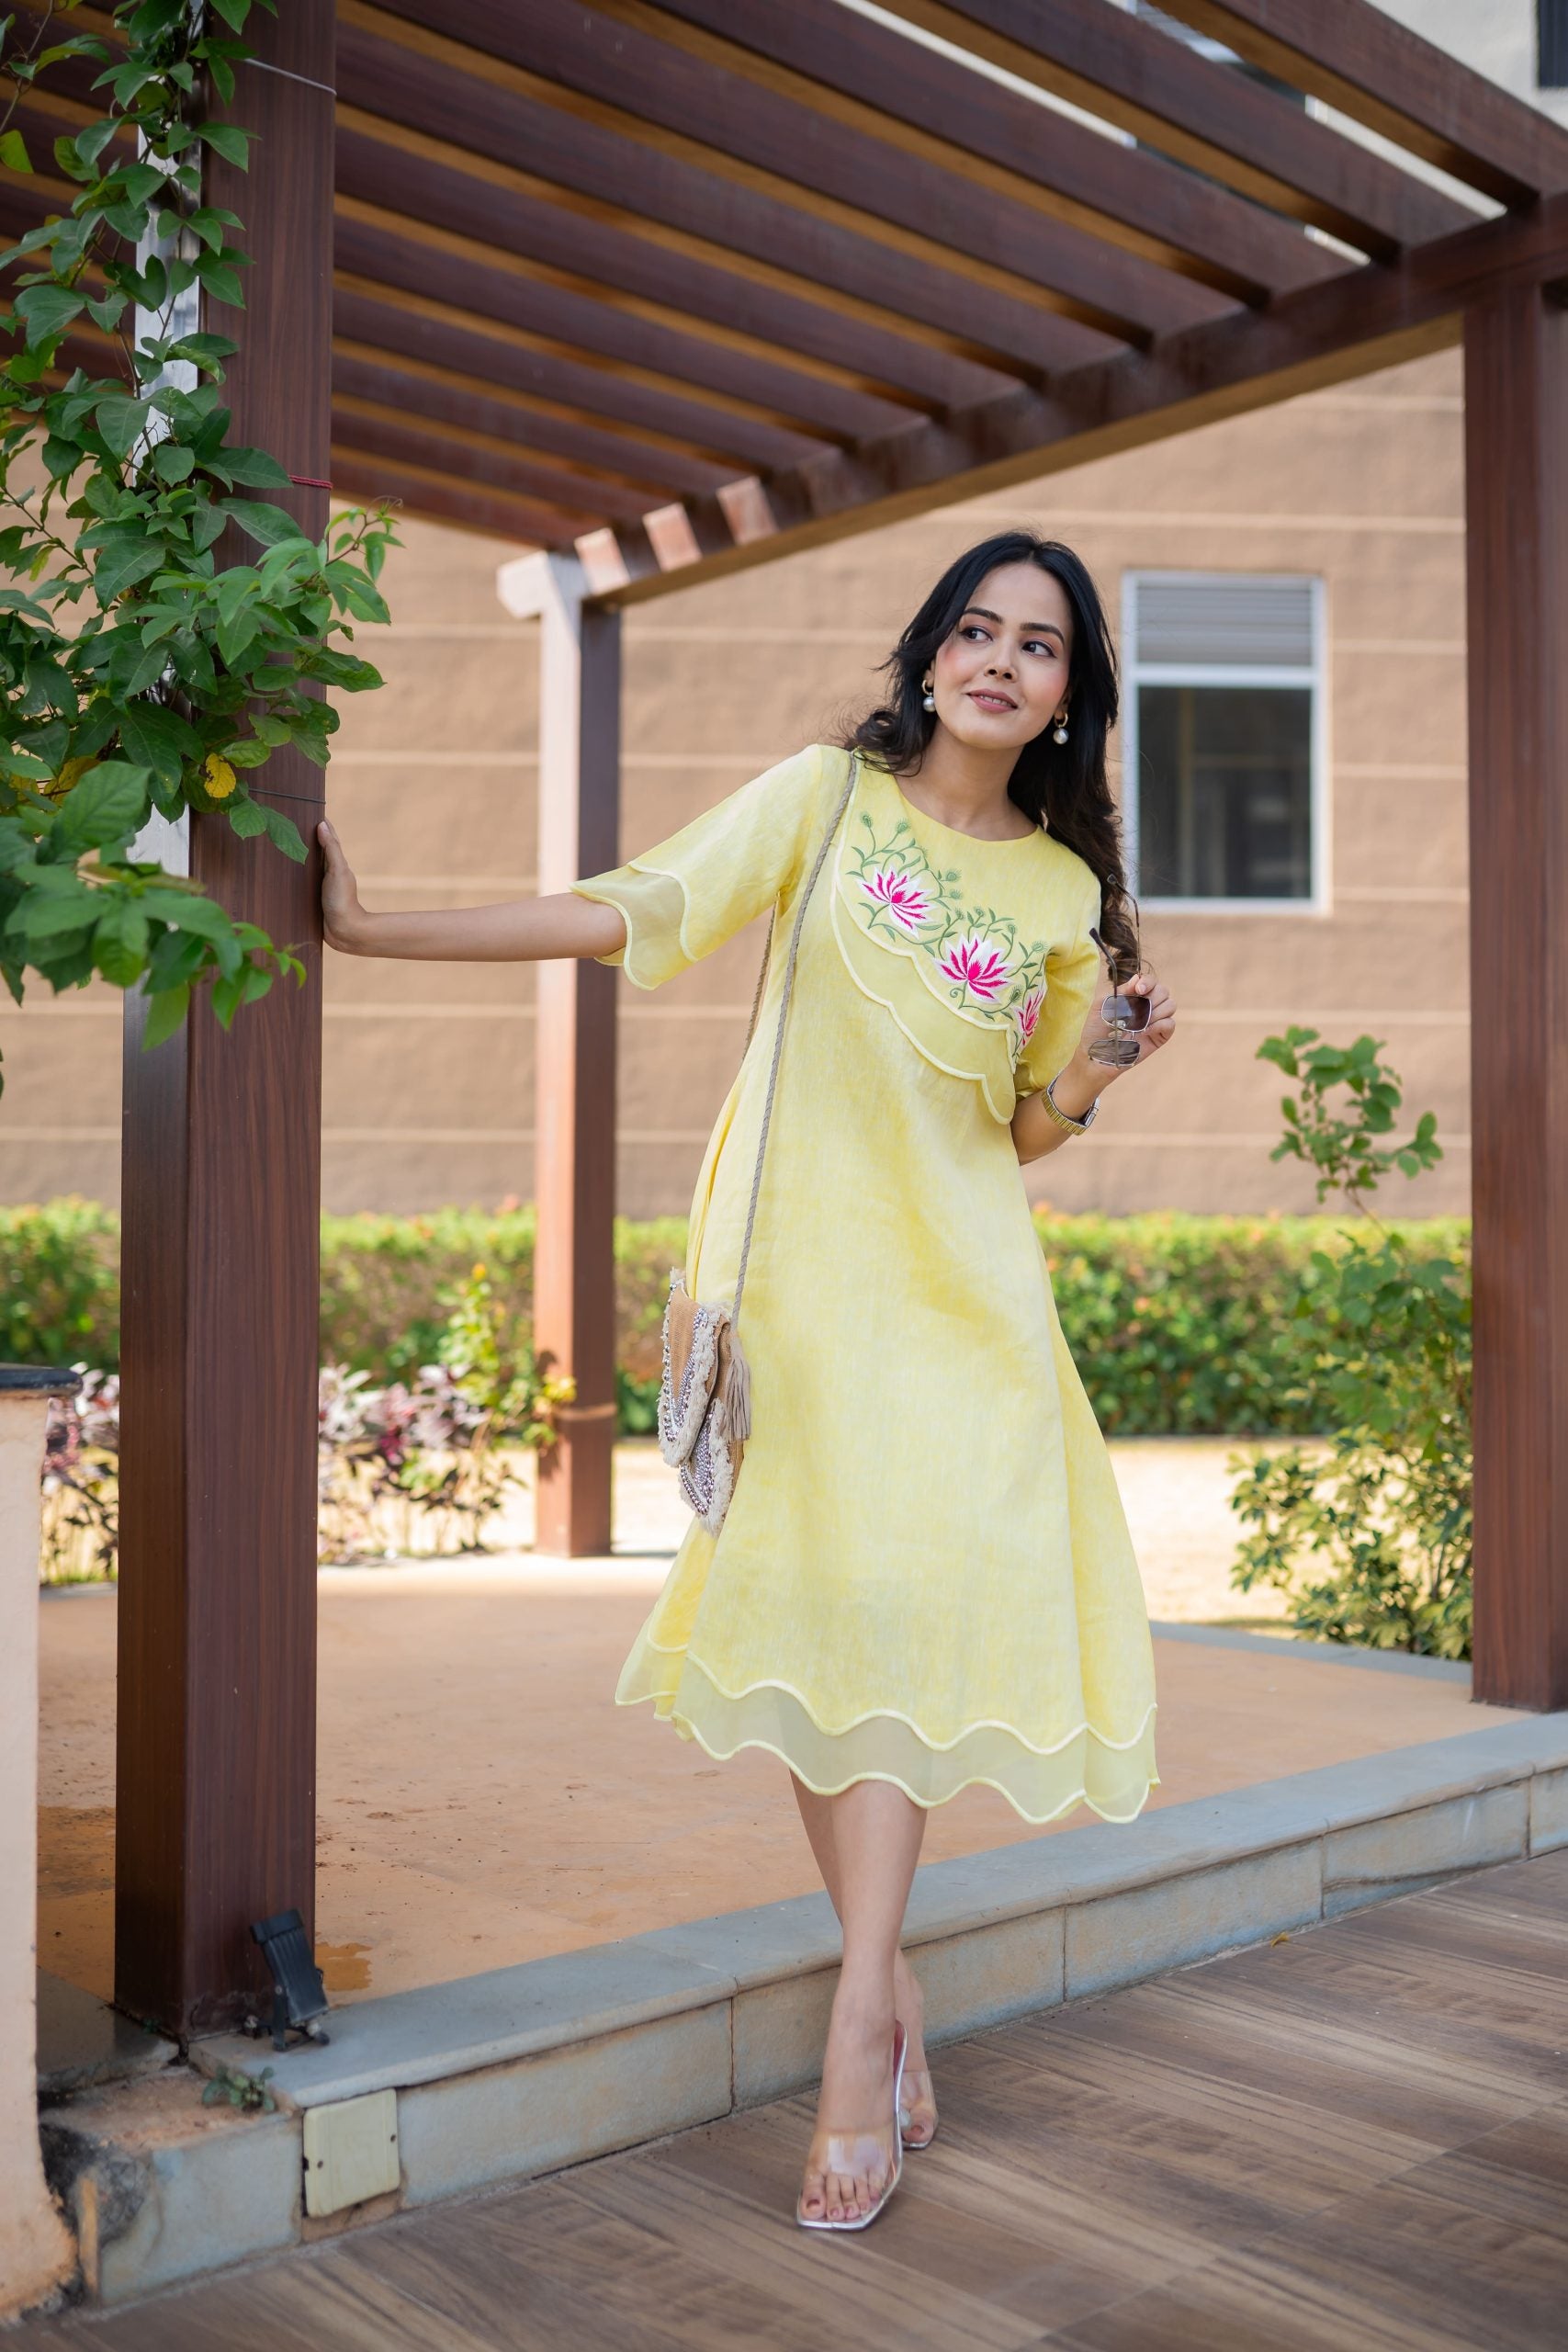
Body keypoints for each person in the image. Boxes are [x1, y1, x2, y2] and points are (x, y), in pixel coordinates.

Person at [318, 528, 1176, 2235]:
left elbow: (1018, 1131)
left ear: (1071, 698)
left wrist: (1092, 1068)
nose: (1003, 661)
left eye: (1042, 646)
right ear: (931, 653)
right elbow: (632, 905)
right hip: (797, 1289)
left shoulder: (1063, 900)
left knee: (902, 1624)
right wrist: (373, 929)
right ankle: (886, 1979)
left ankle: (859, 2012)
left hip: (964, 1302)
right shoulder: (823, 800)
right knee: (815, 1617)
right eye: (979, 629)